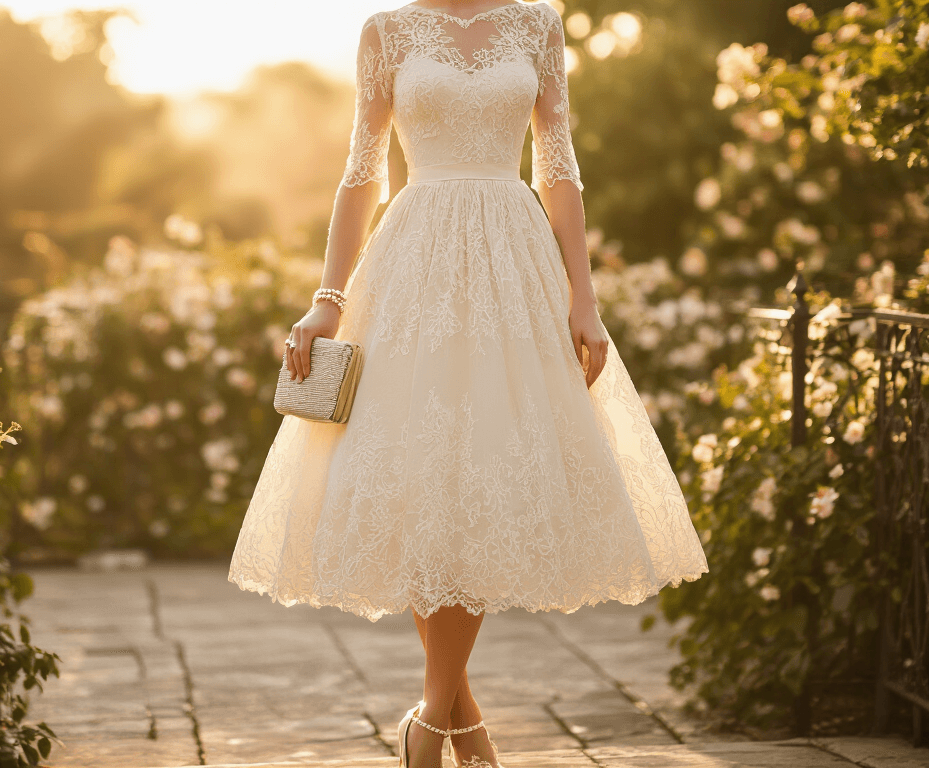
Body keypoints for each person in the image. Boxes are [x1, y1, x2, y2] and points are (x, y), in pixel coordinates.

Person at [228, 2, 708, 765]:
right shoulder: (387, 31)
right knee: (428, 482)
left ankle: (433, 721)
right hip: (413, 267)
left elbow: (558, 170)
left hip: (513, 267)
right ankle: (456, 720)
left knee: (479, 476)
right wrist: (328, 299)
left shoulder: (537, 24)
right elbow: (361, 172)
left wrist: (585, 300)